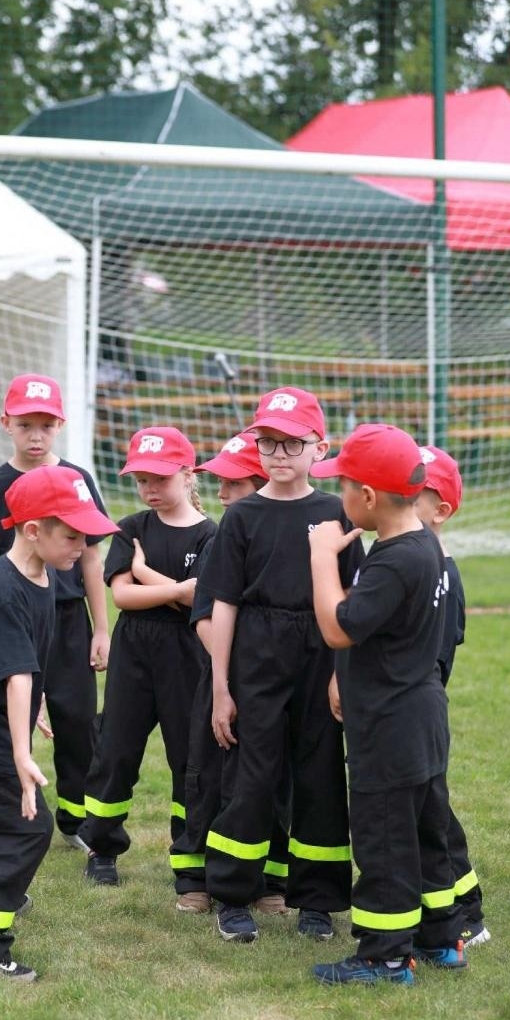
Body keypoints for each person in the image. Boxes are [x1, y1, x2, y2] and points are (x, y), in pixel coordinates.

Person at [0, 465, 119, 981]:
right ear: (33, 530)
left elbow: (23, 664)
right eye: (73, 536)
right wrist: (21, 755)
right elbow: (17, 675)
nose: (82, 547)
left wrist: (35, 703)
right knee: (27, 826)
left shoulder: (41, 574)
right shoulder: (3, 588)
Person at [202, 387, 363, 944]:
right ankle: (233, 894)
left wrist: (342, 671)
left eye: (293, 443)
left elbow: (352, 598)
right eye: (268, 442)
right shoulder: (242, 516)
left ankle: (316, 900)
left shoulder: (338, 512)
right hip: (259, 650)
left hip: (321, 648)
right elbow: (223, 603)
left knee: (321, 774)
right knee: (251, 774)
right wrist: (221, 686)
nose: (279, 454)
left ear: (320, 448)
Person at [308, 422, 466, 986]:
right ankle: (441, 940)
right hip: (422, 717)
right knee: (425, 834)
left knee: (384, 840)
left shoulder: (396, 559)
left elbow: (338, 628)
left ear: (369, 497)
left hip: (389, 725)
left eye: (344, 486)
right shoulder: (423, 546)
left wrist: (322, 556)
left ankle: (385, 957)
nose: (340, 496)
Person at [0, 374, 110, 849]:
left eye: (46, 425)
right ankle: (2, 802)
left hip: (67, 620)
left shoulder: (78, 480)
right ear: (6, 424)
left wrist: (101, 629)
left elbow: (91, 558)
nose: (36, 435)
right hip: (16, 620)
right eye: (26, 425)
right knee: (13, 711)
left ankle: (76, 819)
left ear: (60, 424)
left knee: (77, 720)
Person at [78, 426, 218, 886]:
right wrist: (177, 589)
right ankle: (102, 847)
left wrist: (146, 575)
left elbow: (201, 603)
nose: (150, 488)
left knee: (189, 756)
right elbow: (122, 596)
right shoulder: (132, 528)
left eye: (160, 478)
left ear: (188, 474)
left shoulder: (210, 535)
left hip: (187, 652)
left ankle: (190, 856)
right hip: (134, 649)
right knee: (115, 749)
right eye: (142, 480)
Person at [170, 431, 291, 916]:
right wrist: (229, 673)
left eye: (233, 484)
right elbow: (203, 615)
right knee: (208, 780)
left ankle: (269, 881)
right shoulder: (224, 537)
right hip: (225, 682)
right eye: (218, 483)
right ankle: (196, 878)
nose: (220, 494)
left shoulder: (290, 532)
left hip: (275, 684)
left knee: (272, 780)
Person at [416, 444, 489, 948]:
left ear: (440, 510)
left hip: (417, 714)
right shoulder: (403, 560)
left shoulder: (443, 573)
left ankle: (468, 913)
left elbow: (437, 658)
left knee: (433, 814)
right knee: (427, 811)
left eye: (412, 494)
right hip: (403, 712)